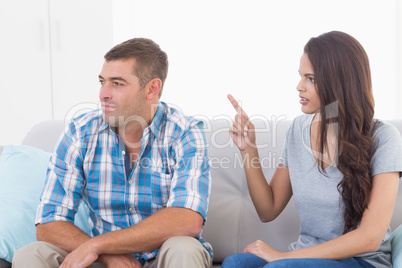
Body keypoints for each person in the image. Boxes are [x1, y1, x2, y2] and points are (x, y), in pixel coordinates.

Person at [12, 38, 212, 268]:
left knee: (184, 247)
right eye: (102, 81)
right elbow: (49, 222)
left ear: (152, 89)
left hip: (164, 259)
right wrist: (108, 254)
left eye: (117, 83)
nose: (103, 94)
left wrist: (98, 245)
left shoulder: (185, 132)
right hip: (104, 262)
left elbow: (186, 220)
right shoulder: (80, 132)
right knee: (31, 254)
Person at [222, 31, 402, 267]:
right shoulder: (298, 129)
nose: (299, 86)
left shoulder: (383, 137)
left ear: (339, 83)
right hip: (303, 257)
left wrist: (283, 257)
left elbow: (369, 238)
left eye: (311, 78)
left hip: (360, 261)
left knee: (281, 267)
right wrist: (248, 151)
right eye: (300, 76)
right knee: (236, 263)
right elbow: (269, 209)